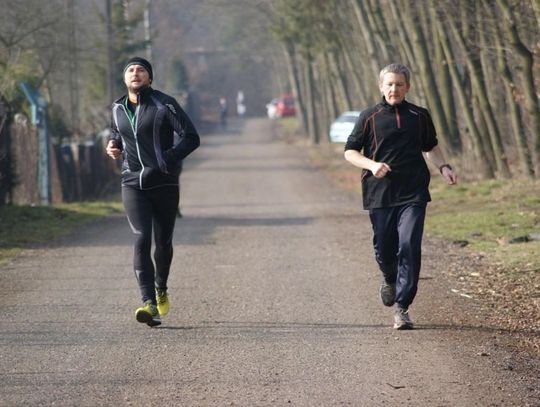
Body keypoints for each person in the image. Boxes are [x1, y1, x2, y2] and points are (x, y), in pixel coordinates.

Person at [344, 63, 457, 330]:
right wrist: (372, 165)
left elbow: (430, 147)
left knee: (408, 244)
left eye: (400, 84)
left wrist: (444, 166)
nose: (394, 89)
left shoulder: (419, 115)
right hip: (379, 193)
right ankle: (389, 277)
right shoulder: (369, 117)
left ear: (408, 87)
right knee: (384, 248)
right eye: (390, 84)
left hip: (413, 191)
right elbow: (350, 151)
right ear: (381, 86)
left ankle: (402, 307)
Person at [106, 56, 200, 327]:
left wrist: (167, 160)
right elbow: (116, 133)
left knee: (163, 243)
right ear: (125, 78)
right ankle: (148, 302)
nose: (135, 74)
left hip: (164, 184)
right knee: (141, 238)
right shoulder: (116, 107)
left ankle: (161, 287)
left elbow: (191, 137)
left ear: (149, 77)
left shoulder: (164, 104)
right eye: (131, 70)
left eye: (141, 70)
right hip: (132, 183)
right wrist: (112, 146)